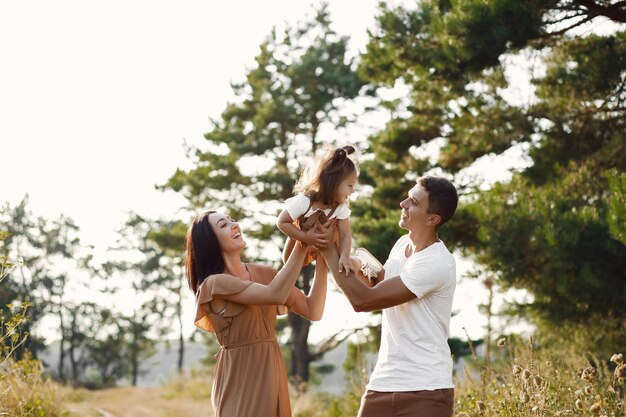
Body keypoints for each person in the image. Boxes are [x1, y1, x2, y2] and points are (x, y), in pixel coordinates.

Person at [318, 176, 459, 417]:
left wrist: (327, 250)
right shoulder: (402, 244)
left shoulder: (436, 262)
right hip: (382, 384)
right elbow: (382, 281)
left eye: (413, 202)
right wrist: (350, 257)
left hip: (426, 391)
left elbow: (365, 301)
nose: (403, 204)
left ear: (432, 219)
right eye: (407, 196)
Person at [186, 210, 328, 417]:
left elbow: (313, 310)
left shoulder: (265, 274)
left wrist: (324, 258)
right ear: (209, 241)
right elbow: (275, 294)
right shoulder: (213, 283)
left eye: (232, 220)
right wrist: (302, 241)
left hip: (271, 372)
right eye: (223, 225)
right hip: (240, 381)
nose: (234, 225)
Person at [277, 144, 358, 272]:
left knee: (337, 229)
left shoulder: (340, 207)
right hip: (301, 240)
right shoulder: (305, 201)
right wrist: (305, 237)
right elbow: (282, 222)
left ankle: (323, 263)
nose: (353, 190)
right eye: (350, 185)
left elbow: (345, 234)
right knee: (288, 262)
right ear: (333, 183)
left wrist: (345, 256)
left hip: (325, 246)